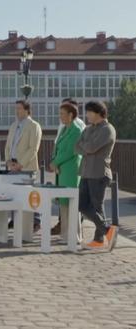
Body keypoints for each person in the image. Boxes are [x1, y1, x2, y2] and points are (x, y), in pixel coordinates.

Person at [75, 101, 118, 251]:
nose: (86, 115)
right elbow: (77, 146)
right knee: (81, 205)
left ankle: (99, 239)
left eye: (88, 112)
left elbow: (91, 147)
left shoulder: (108, 129)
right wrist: (86, 147)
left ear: (97, 113)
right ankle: (106, 232)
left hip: (99, 173)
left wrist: (85, 146)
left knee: (96, 207)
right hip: (86, 172)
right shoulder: (87, 129)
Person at [5, 100, 43, 230]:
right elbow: (8, 146)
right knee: (14, 193)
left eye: (19, 109)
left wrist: (21, 164)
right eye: (16, 109)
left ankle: (36, 221)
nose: (17, 111)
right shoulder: (13, 125)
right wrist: (8, 161)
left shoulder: (34, 126)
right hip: (13, 165)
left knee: (30, 194)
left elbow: (33, 149)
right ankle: (15, 219)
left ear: (27, 110)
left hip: (26, 167)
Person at [49, 103, 83, 239]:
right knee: (63, 203)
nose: (60, 116)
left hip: (70, 170)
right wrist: (53, 161)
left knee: (71, 202)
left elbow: (70, 151)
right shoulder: (63, 129)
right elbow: (56, 147)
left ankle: (75, 236)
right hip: (61, 170)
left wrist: (55, 162)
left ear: (71, 115)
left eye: (63, 113)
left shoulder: (76, 130)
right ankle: (65, 235)